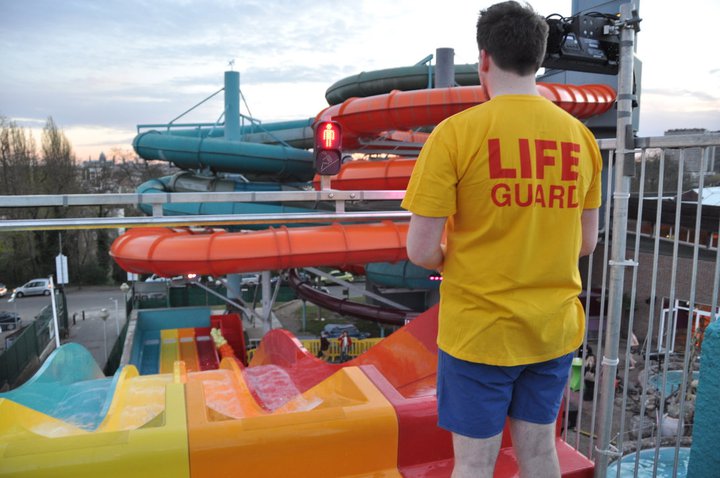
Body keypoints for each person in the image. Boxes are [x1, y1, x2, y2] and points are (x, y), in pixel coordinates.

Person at [401, 2, 602, 477]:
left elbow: (421, 251)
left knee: (474, 462)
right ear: (540, 57)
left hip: (480, 332)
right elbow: (586, 242)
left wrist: (458, 257)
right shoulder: (580, 138)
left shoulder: (455, 135)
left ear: (483, 57)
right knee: (539, 451)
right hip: (553, 328)